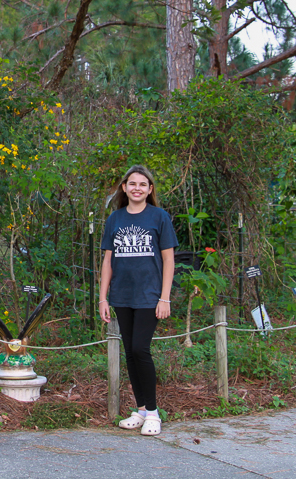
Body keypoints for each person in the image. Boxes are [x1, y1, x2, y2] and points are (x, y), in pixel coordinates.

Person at [98, 165, 176, 436]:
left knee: (141, 349)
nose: (137, 188)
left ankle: (153, 413)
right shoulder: (115, 219)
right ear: (124, 187)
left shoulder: (160, 217)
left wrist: (164, 297)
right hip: (122, 295)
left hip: (149, 296)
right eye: (132, 184)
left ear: (150, 189)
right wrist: (102, 298)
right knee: (130, 351)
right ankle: (141, 410)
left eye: (143, 184)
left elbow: (168, 259)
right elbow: (108, 261)